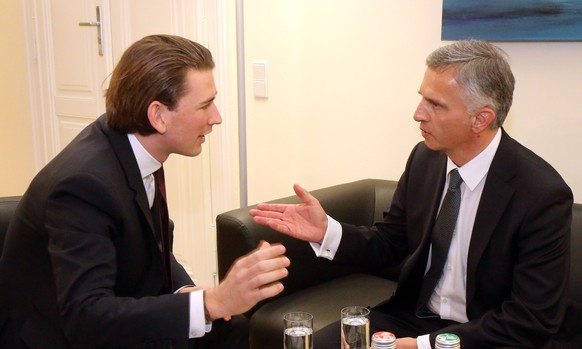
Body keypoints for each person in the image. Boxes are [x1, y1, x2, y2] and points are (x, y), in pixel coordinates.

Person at [250, 40, 573, 349]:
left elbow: (530, 318)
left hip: (488, 334)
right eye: (422, 98)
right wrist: (327, 231)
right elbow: (390, 243)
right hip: (413, 317)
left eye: (435, 104)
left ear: (481, 119)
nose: (418, 114)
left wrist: (424, 346)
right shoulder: (425, 159)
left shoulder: (540, 194)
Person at [0, 34, 290, 349]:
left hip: (108, 308)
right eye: (205, 105)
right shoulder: (84, 185)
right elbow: (85, 318)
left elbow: (155, 250)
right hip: (60, 336)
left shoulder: (131, 146)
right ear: (158, 116)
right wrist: (210, 302)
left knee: (228, 327)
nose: (216, 118)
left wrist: (187, 294)